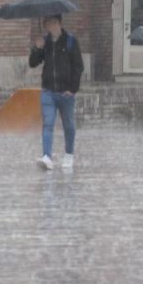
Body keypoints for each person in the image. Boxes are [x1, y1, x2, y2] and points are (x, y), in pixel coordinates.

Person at [29, 15, 84, 170]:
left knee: (69, 125)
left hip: (66, 92)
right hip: (48, 91)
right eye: (47, 24)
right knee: (48, 124)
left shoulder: (71, 41)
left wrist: (73, 89)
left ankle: (69, 154)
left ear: (60, 23)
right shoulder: (45, 42)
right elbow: (33, 63)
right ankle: (47, 156)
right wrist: (36, 48)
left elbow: (78, 66)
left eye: (53, 23)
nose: (50, 27)